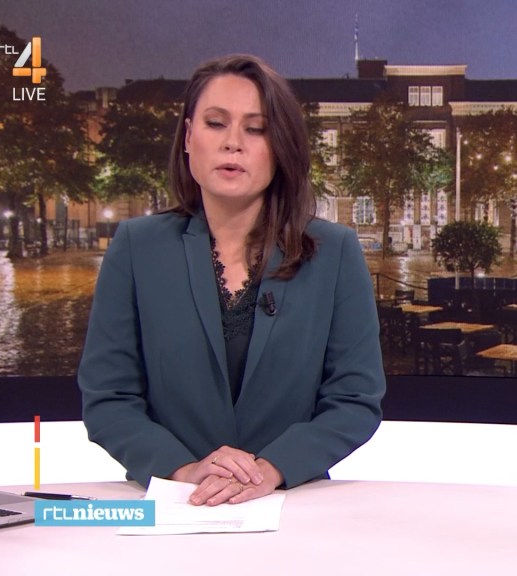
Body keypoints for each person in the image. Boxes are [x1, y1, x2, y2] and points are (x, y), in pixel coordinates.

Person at [78, 54, 385, 506]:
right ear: (188, 137)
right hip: (175, 506)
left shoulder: (335, 252)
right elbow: (108, 398)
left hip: (294, 507)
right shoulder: (136, 247)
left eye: (256, 129)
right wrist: (184, 472)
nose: (232, 144)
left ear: (280, 147)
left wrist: (270, 470)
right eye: (216, 123)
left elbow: (355, 400)